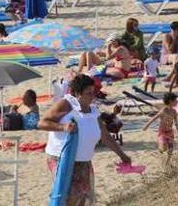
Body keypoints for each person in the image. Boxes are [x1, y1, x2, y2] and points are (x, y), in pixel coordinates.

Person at [40, 75, 131, 205]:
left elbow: (105, 136)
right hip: (62, 158)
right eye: (88, 93)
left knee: (84, 197)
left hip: (84, 161)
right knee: (70, 195)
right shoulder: (66, 104)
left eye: (93, 92)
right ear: (78, 94)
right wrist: (63, 127)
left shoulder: (93, 110)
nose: (92, 96)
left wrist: (122, 155)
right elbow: (42, 123)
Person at [142, 92, 178, 168]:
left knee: (171, 149)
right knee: (163, 148)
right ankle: (160, 150)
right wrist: (146, 125)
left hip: (170, 132)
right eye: (175, 100)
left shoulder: (174, 111)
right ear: (170, 101)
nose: (177, 102)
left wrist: (177, 125)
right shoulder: (163, 111)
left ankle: (167, 163)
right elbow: (154, 118)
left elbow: (175, 120)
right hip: (162, 132)